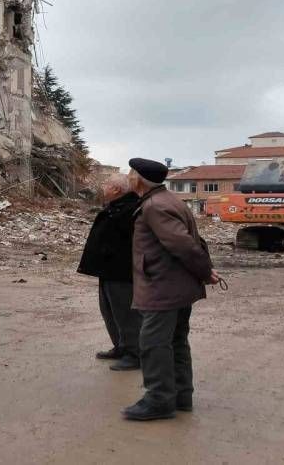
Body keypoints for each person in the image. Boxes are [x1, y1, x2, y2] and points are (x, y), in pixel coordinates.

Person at [122, 158, 220, 421]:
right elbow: (192, 241)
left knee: (153, 343)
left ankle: (159, 400)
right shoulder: (168, 200)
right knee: (175, 341)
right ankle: (180, 396)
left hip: (162, 287)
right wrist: (204, 269)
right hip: (174, 285)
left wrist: (204, 271)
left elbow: (184, 244)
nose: (128, 176)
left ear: (140, 179)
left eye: (131, 173)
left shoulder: (155, 206)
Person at [77, 174, 142, 371]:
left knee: (126, 314)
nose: (103, 187)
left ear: (116, 189)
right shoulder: (116, 206)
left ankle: (135, 354)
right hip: (107, 270)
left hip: (122, 272)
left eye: (106, 184)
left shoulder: (131, 209)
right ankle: (121, 347)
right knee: (109, 311)